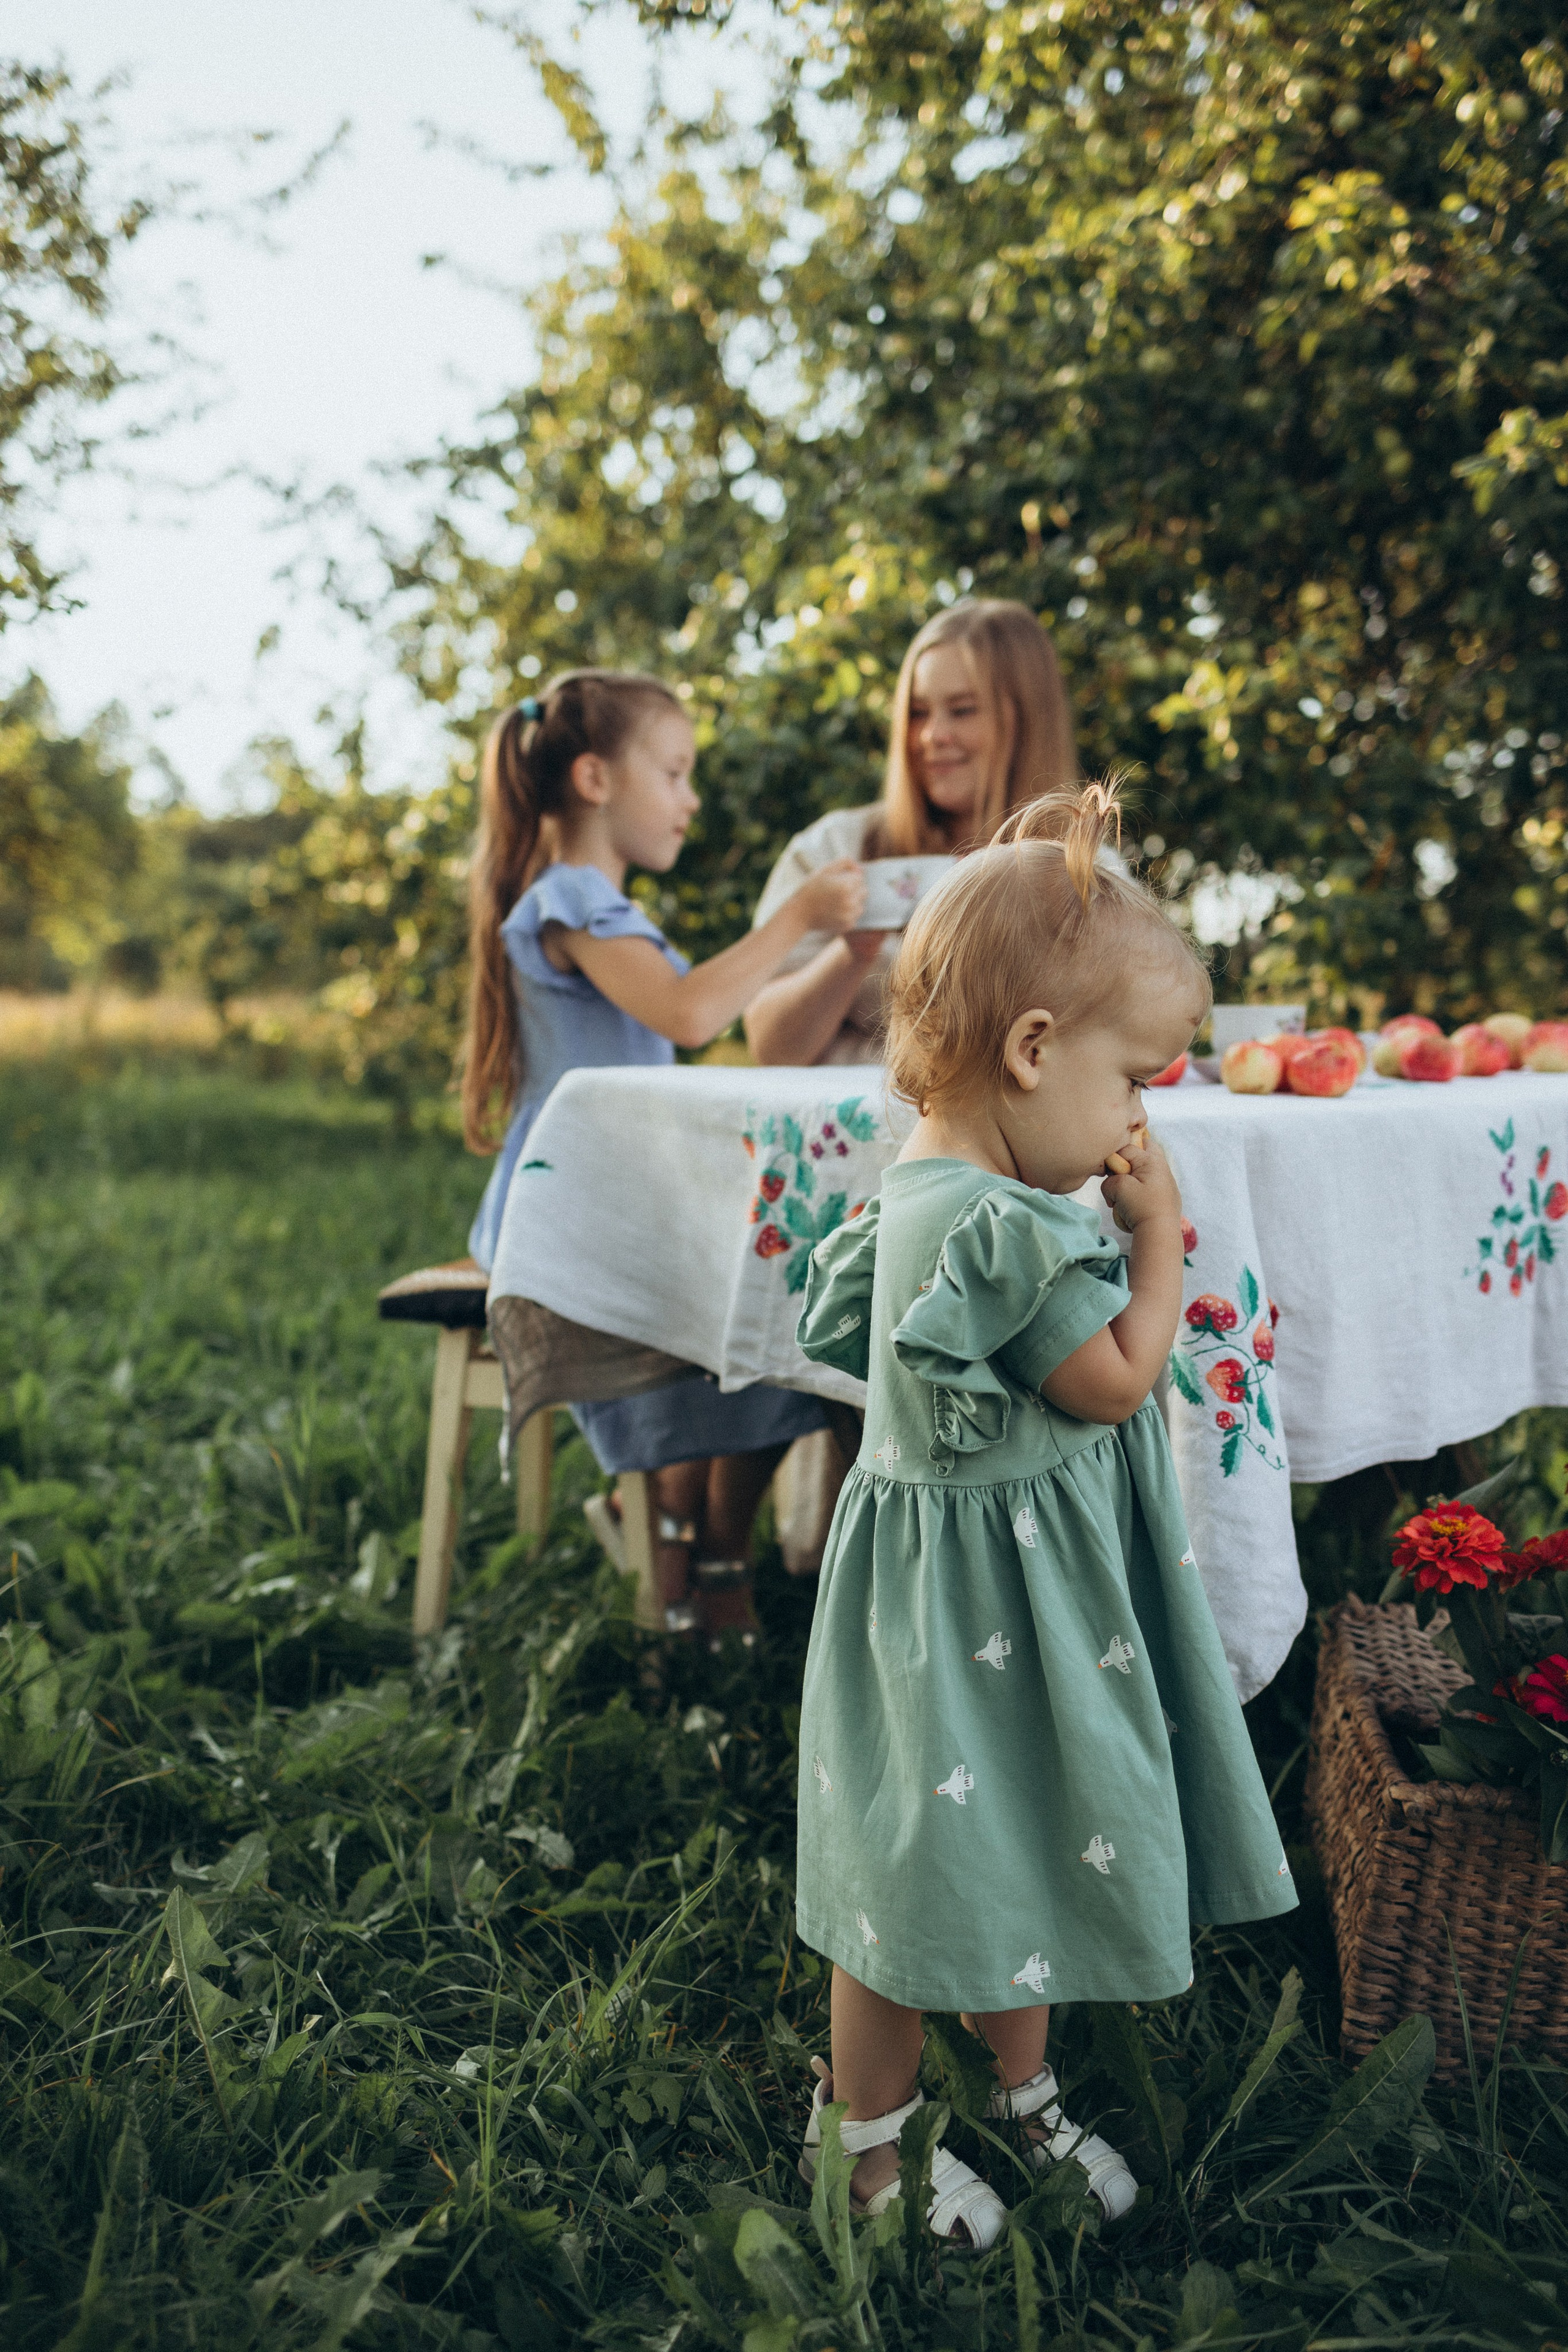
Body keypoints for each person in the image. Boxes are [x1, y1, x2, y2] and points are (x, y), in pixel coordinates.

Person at [788, 783, 1297, 2248]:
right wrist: (1156, 1236)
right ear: (1030, 1050)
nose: (1140, 1114)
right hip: (968, 1626)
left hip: (984, 1607)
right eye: (1134, 1079)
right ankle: (861, 2140)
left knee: (1015, 1840)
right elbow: (1117, 1379)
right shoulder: (993, 1229)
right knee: (911, 1882)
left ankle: (1020, 2093)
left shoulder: (937, 1189)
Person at [462, 669, 866, 1638]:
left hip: (607, 1200)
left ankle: (691, 1537)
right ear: (597, 779)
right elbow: (687, 1014)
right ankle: (689, 1540)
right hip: (567, 1221)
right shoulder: (569, 903)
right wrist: (799, 922)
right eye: (677, 773)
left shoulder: (600, 908)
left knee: (776, 1283)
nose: (691, 799)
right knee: (765, 1301)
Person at [744, 599, 1076, 1069]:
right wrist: (853, 954)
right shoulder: (837, 848)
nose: (931, 735)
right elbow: (770, 1047)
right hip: (848, 1134)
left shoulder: (1084, 874)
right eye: (918, 712)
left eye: (961, 710)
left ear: (1026, 721)